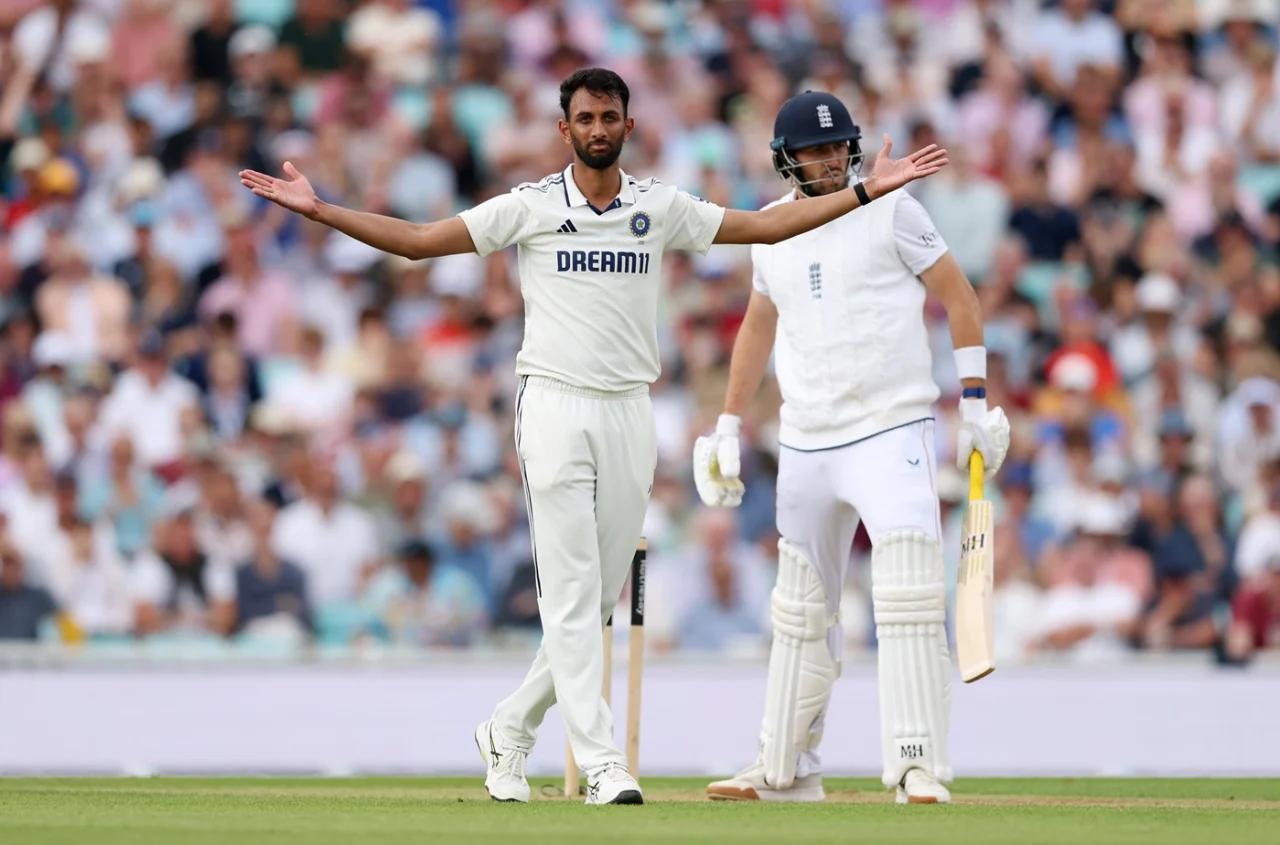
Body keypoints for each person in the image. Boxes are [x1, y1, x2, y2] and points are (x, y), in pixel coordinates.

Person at [240, 68, 948, 806]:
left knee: (593, 602)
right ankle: (603, 758)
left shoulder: (659, 206)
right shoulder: (532, 205)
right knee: (575, 595)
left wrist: (866, 191)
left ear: (628, 127)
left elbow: (765, 226)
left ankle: (508, 728)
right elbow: (420, 242)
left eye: (610, 117)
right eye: (585, 118)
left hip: (627, 410)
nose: (598, 129)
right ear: (565, 128)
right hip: (552, 404)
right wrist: (320, 211)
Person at [693, 91, 1007, 805]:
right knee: (800, 608)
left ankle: (919, 765)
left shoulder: (895, 206)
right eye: (815, 150)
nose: (831, 160)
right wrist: (730, 424)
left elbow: (960, 297)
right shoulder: (769, 228)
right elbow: (756, 326)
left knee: (906, 594)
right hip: (806, 439)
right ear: (785, 159)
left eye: (838, 148)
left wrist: (976, 400)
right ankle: (784, 767)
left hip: (892, 426)